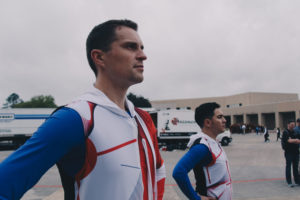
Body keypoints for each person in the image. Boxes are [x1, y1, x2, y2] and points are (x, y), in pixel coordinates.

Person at [0, 19, 166, 200]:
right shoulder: (76, 118)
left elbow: (157, 171)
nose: (143, 55)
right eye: (131, 47)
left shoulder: (143, 119)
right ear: (99, 57)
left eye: (142, 47)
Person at [172, 102, 232, 200]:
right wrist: (197, 198)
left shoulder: (213, 142)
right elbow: (179, 172)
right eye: (220, 117)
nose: (224, 120)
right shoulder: (202, 147)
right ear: (208, 122)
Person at [281, 120, 300, 187]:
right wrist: (295, 140)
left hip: (296, 152)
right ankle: (289, 182)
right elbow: (288, 140)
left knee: (295, 167)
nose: (293, 126)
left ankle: (297, 181)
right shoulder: (285, 132)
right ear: (288, 125)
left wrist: (293, 140)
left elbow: (298, 141)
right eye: (291, 125)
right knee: (288, 167)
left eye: (293, 125)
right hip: (289, 152)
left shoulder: (295, 132)